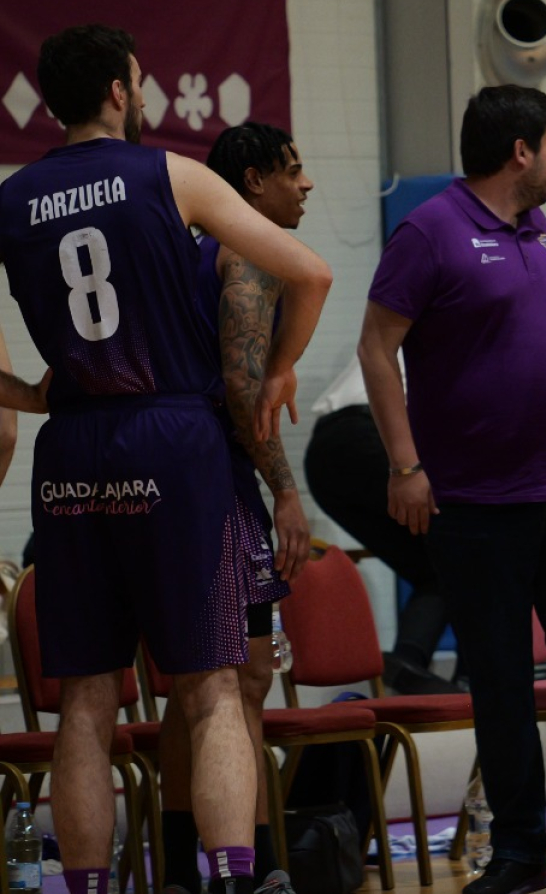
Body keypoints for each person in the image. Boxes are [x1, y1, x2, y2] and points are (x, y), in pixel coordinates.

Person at [0, 24, 332, 894]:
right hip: (174, 438)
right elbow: (311, 273)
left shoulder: (12, 198)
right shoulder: (168, 175)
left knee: (85, 699)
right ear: (119, 90)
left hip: (72, 444)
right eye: (139, 83)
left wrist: (29, 394)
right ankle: (230, 880)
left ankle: (85, 886)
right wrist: (282, 368)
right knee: (214, 686)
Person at [359, 84, 546, 894]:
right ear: (520, 151)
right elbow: (376, 348)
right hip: (478, 504)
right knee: (499, 682)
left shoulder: (540, 227)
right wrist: (405, 466)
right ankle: (521, 851)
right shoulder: (430, 231)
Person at [154, 122, 317, 894]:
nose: (306, 184)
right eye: (292, 170)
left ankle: (185, 866)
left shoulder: (189, 250)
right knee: (239, 680)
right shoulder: (249, 253)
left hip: (161, 468)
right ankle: (250, 870)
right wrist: (285, 489)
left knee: (201, 683)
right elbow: (243, 385)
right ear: (253, 182)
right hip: (214, 477)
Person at [304, 357, 463, 694]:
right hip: (370, 435)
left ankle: (407, 661)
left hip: (323, 458)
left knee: (440, 567)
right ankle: (476, 673)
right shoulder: (459, 334)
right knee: (469, 546)